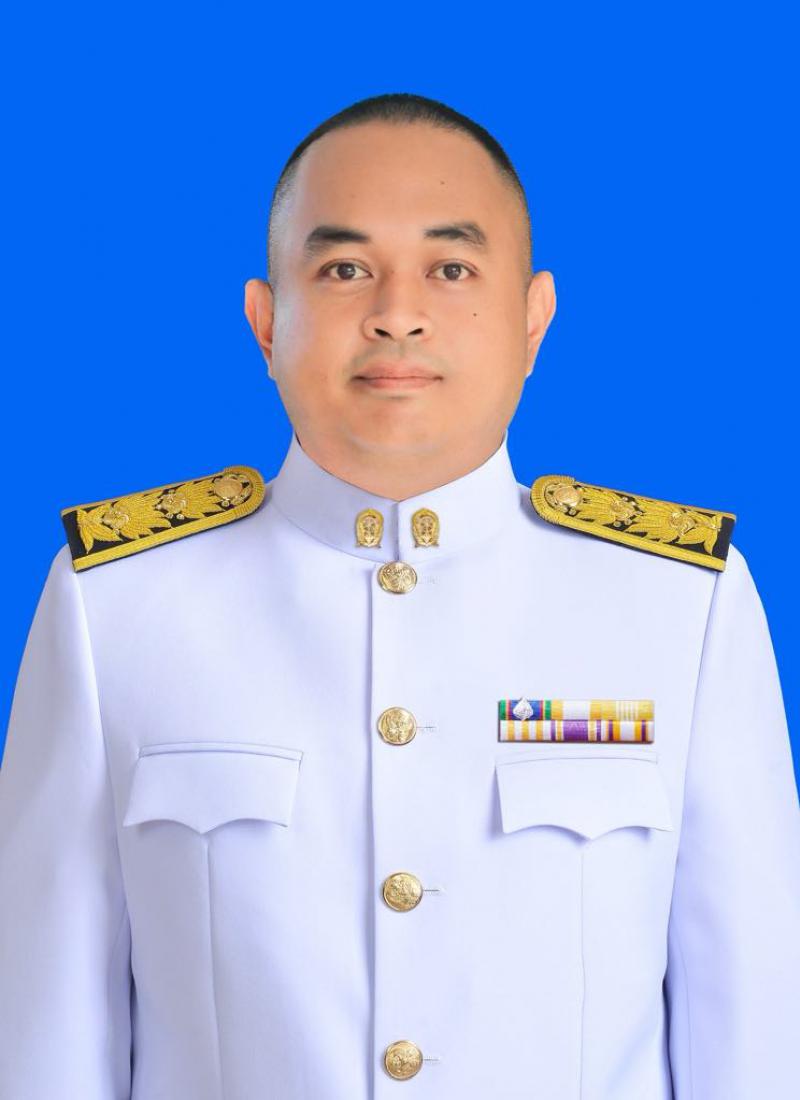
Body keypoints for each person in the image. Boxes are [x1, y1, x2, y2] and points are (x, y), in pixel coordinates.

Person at [1, 91, 797, 1100]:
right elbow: (46, 1040)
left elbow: (756, 1038)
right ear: (264, 320)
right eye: (343, 269)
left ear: (533, 317)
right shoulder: (116, 604)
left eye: (451, 269)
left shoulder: (677, 605)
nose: (396, 313)